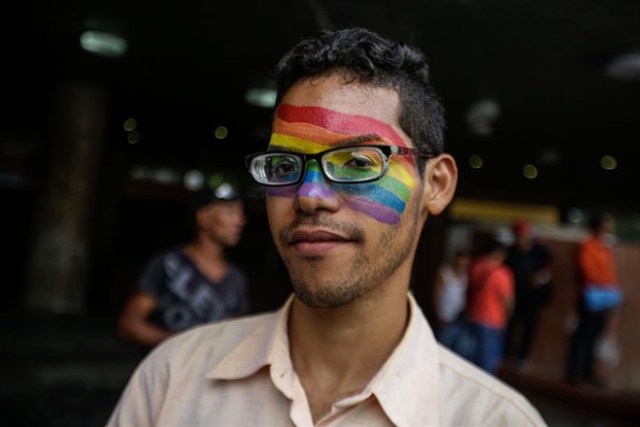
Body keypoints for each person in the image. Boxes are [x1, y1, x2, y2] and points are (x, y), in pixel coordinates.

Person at [107, 27, 546, 426]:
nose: (309, 195)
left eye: (357, 162)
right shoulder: (171, 379)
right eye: (284, 165)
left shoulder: (495, 420)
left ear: (435, 184)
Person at [116, 174, 250, 348]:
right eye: (230, 211)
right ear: (203, 217)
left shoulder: (236, 279)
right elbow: (129, 326)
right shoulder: (168, 264)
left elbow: (234, 337)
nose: (240, 220)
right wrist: (186, 346)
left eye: (241, 211)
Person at [566, 211, 623, 387]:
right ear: (600, 226)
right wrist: (606, 285)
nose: (611, 227)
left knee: (594, 336)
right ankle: (574, 372)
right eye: (608, 223)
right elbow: (589, 272)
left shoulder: (604, 247)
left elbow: (609, 273)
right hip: (591, 297)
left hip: (604, 298)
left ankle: (587, 372)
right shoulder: (588, 246)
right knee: (583, 334)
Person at [504, 219, 553, 371]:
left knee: (529, 328)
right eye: (519, 236)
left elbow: (550, 267)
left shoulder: (539, 251)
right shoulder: (511, 253)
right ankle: (506, 355)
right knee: (511, 327)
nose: (522, 240)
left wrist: (542, 278)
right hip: (516, 296)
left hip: (534, 298)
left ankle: (521, 357)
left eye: (524, 236)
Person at [464, 236, 515, 375]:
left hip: (473, 317)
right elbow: (507, 301)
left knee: (470, 362)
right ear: (499, 252)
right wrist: (508, 318)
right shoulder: (503, 273)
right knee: (488, 366)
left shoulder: (476, 267)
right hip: (493, 322)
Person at [433, 248, 470, 345]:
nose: (462, 264)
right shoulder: (445, 273)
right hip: (444, 316)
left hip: (458, 317)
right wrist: (439, 314)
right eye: (460, 261)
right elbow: (437, 294)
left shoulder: (466, 275)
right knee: (443, 343)